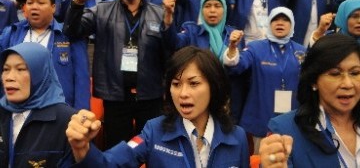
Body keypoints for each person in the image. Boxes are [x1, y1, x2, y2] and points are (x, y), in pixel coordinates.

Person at [59, 46, 249, 167]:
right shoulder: (154, 131)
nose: (183, 93)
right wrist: (82, 148)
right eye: (176, 84)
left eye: (193, 83)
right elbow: (108, 164)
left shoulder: (237, 137)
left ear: (214, 86)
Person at [63, 0, 170, 149]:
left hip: (150, 95)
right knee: (117, 150)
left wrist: (169, 25)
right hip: (115, 96)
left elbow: (169, 52)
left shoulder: (159, 13)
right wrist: (78, 1)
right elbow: (72, 31)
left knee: (152, 149)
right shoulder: (102, 11)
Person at [259, 33, 360, 167]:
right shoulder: (285, 129)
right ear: (314, 81)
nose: (347, 84)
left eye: (355, 73)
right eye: (335, 74)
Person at [224, 7, 306, 154]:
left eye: (285, 20)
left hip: (292, 121)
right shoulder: (255, 48)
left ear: (292, 24)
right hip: (260, 120)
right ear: (269, 23)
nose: (280, 23)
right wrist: (232, 48)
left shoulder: (301, 51)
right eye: (275, 19)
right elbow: (237, 65)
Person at [0, 0, 90, 110]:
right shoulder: (11, 33)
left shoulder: (69, 34)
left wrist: (82, 113)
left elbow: (81, 79)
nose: (34, 7)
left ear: (53, 7)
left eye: (41, 2)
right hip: (18, 109)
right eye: (30, 3)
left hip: (59, 110)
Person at [0, 42, 76, 167]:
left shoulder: (68, 121)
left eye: (20, 69)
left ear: (41, 73)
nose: (9, 77)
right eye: (5, 69)